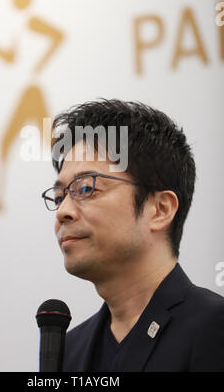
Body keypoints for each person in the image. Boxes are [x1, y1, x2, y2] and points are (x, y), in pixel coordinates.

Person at [41, 99, 224, 372]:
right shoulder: (70, 349)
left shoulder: (214, 327)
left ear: (160, 209)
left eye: (86, 189)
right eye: (59, 196)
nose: (63, 211)